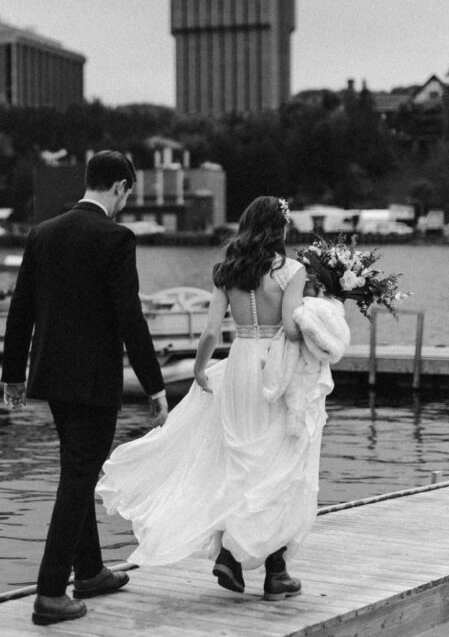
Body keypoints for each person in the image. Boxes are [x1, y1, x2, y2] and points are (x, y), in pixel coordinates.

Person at [96, 195, 327, 602]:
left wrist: (200, 369)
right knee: (278, 464)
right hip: (275, 368)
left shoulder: (227, 271)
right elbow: (292, 330)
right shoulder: (292, 271)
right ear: (281, 229)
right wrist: (321, 313)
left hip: (239, 364)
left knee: (241, 461)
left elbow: (208, 333)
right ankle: (270, 571)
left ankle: (236, 558)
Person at [1, 150, 169, 626]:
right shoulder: (116, 238)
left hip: (53, 377)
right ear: (118, 187)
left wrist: (13, 375)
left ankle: (90, 571)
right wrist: (154, 384)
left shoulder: (43, 233)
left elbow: (21, 310)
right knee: (78, 477)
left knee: (77, 468)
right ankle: (51, 593)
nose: (125, 205)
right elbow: (128, 317)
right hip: (94, 380)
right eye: (127, 195)